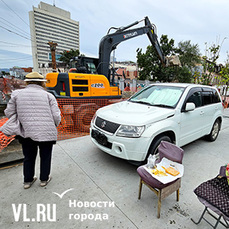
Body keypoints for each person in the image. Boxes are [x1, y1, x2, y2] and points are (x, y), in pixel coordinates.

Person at [1, 72, 61, 189]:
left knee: (28, 157)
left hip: (26, 131)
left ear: (27, 82)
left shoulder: (17, 94)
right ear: (42, 83)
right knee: (45, 156)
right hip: (46, 132)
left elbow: (8, 112)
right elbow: (56, 116)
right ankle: (44, 179)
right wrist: (54, 125)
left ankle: (27, 181)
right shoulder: (48, 96)